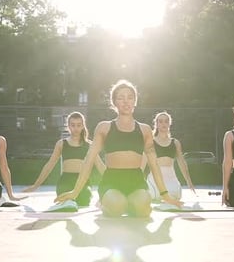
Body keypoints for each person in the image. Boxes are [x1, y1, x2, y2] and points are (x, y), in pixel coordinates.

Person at [55, 79, 182, 217]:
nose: (126, 101)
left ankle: (130, 205)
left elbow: (154, 164)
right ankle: (109, 203)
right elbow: (88, 160)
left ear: (135, 101)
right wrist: (75, 192)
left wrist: (165, 194)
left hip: (136, 181)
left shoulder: (145, 130)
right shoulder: (104, 127)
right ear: (114, 102)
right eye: (121, 98)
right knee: (117, 206)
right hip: (112, 181)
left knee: (143, 208)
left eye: (130, 97)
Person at [23, 111, 106, 207]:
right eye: (73, 125)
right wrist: (35, 186)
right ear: (68, 126)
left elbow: (100, 166)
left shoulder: (89, 145)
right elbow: (49, 165)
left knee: (83, 202)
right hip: (65, 181)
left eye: (79, 125)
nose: (76, 128)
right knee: (66, 203)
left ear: (83, 126)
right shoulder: (61, 144)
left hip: (82, 182)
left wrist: (111, 184)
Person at [141, 111, 195, 201]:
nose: (163, 124)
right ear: (156, 124)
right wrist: (138, 180)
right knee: (156, 195)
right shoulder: (150, 142)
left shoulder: (175, 143)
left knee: (175, 195)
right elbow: (143, 162)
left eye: (166, 121)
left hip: (171, 178)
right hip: (155, 178)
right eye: (161, 121)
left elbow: (181, 162)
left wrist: (189, 181)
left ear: (169, 124)